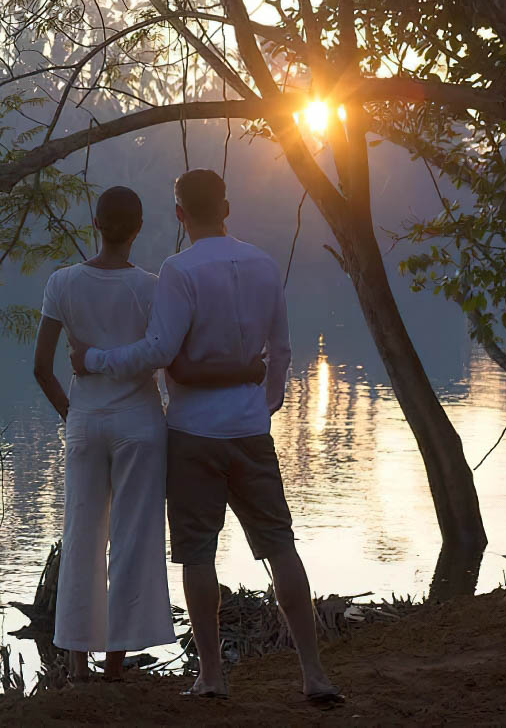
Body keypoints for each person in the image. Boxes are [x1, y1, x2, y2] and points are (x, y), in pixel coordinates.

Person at [71, 169, 342, 706]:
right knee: (280, 546)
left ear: (179, 214)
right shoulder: (264, 265)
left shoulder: (178, 269)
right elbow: (282, 352)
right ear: (226, 205)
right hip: (250, 432)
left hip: (193, 433)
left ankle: (212, 676)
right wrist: (261, 401)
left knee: (197, 554)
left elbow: (158, 351)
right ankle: (313, 674)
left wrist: (94, 360)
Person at [32, 186, 263, 683]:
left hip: (86, 423)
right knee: (135, 539)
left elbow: (42, 369)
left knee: (81, 536)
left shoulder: (62, 283)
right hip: (139, 423)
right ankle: (116, 662)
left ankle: (76, 664)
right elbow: (166, 356)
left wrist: (73, 414)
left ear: (95, 224)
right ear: (138, 229)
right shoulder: (154, 286)